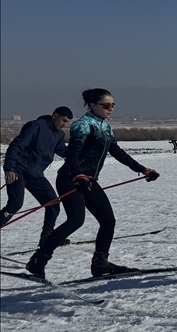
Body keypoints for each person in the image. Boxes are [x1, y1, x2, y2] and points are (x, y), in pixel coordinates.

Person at [27, 89, 160, 279]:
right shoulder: (82, 125)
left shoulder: (104, 127)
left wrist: (142, 169)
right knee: (75, 220)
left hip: (88, 180)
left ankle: (100, 264)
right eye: (106, 105)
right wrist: (78, 174)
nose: (110, 109)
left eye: (113, 105)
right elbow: (73, 153)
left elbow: (117, 151)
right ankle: (38, 260)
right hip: (71, 178)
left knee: (108, 220)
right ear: (93, 106)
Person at [1, 107, 74, 249]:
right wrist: (9, 168)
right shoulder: (36, 126)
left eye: (68, 122)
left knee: (53, 204)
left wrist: (82, 151)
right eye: (63, 120)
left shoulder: (58, 134)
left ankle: (46, 240)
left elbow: (63, 152)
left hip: (36, 175)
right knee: (15, 205)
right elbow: (16, 146)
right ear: (55, 115)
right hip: (18, 170)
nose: (65, 124)